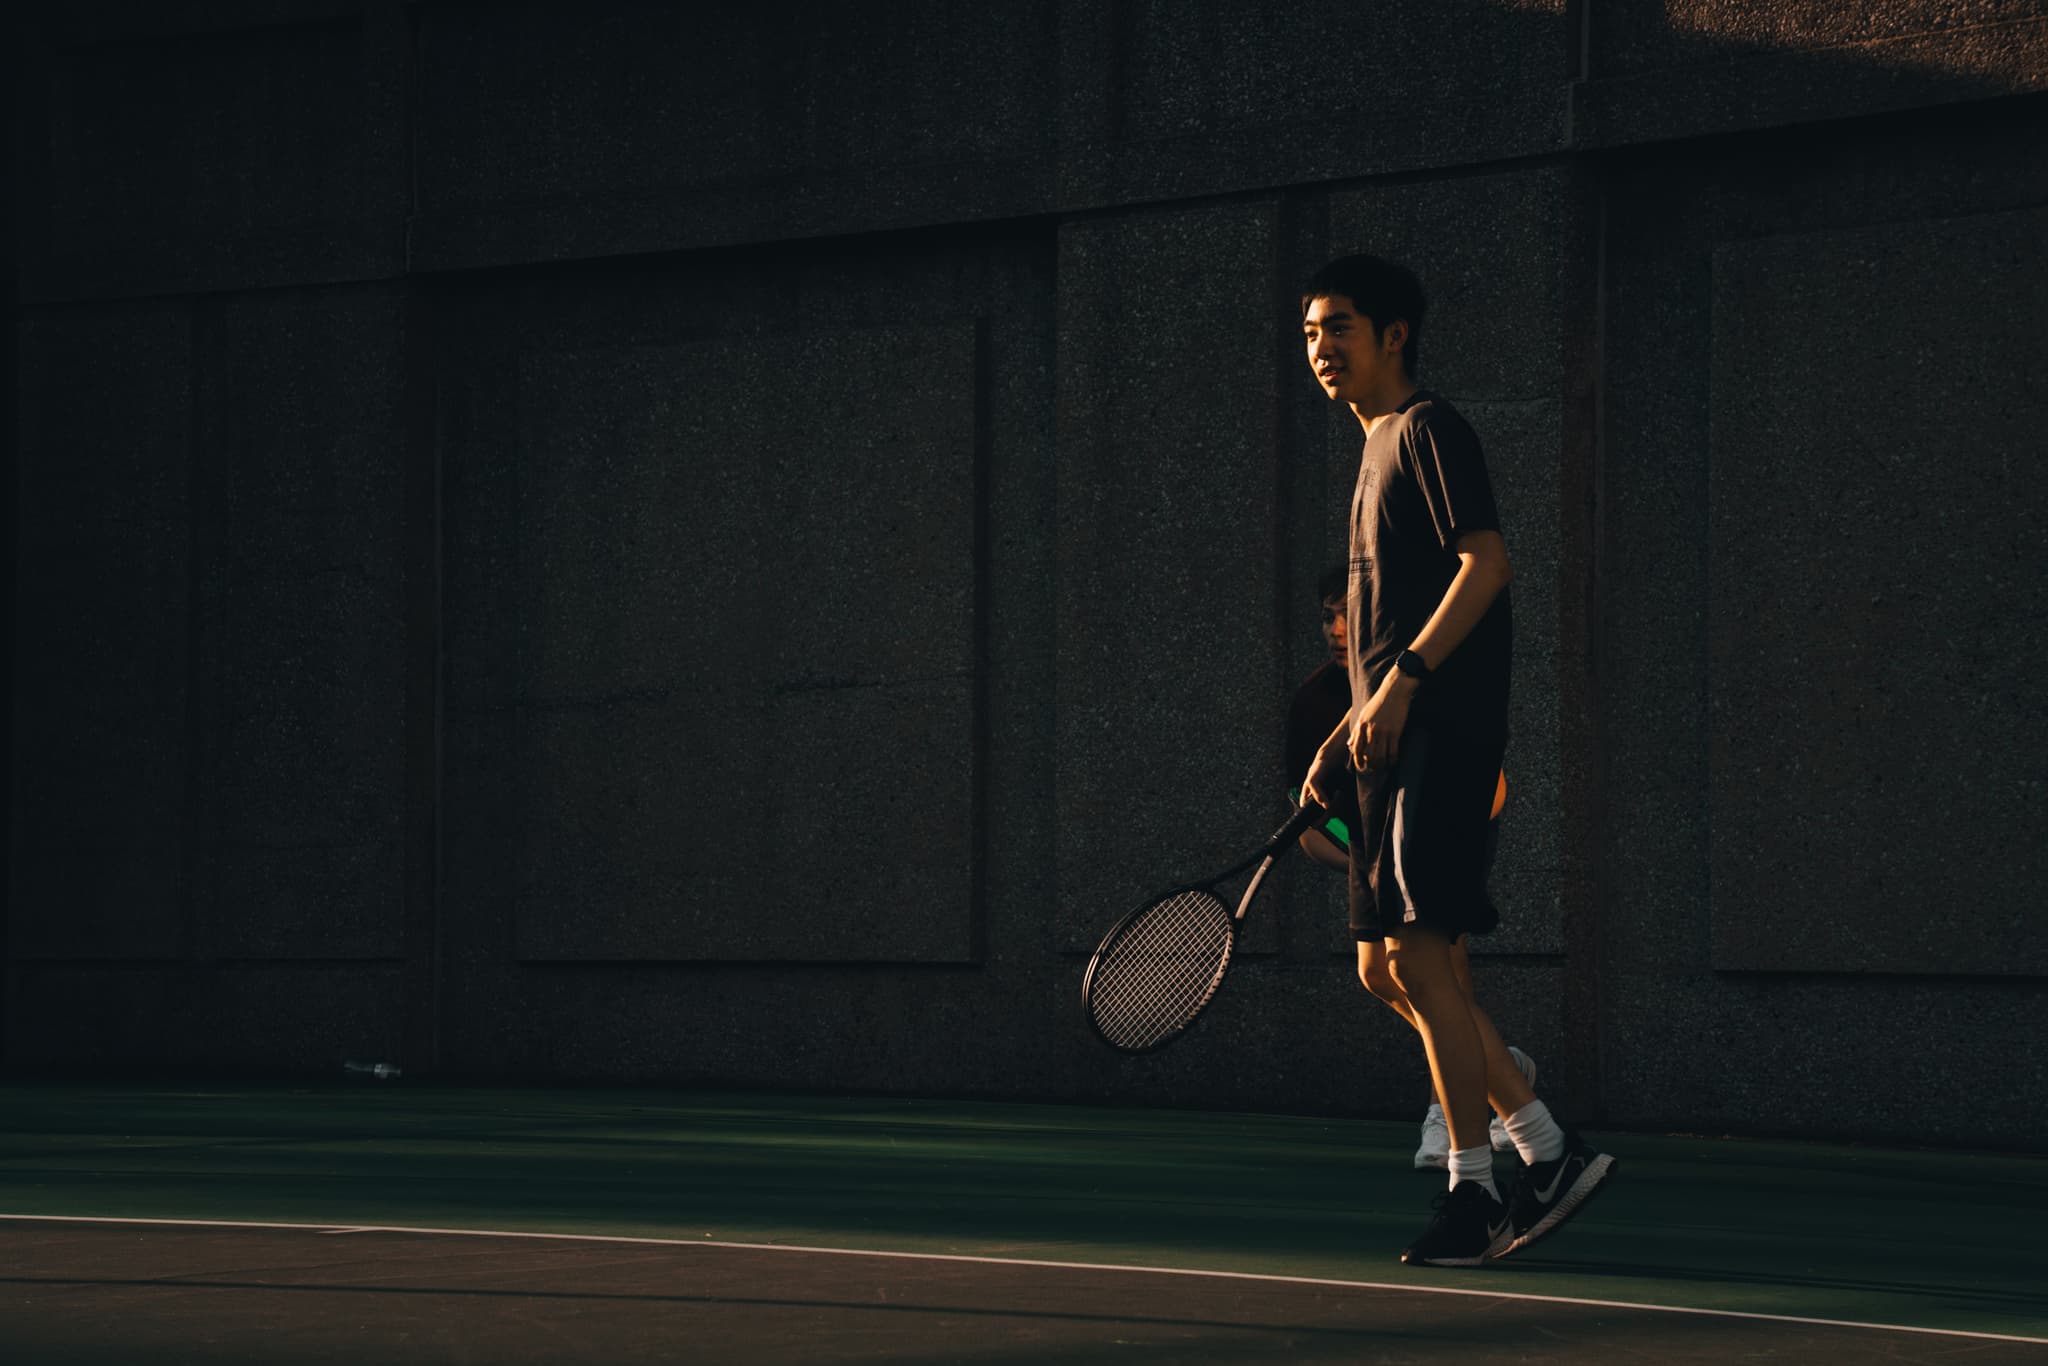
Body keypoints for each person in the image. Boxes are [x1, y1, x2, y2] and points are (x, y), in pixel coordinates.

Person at [1298, 254, 1615, 1267]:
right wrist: (1335, 745)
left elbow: (1487, 561)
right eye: (1309, 332)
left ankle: (1475, 1192)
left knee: (1419, 957)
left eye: (1339, 327)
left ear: (1394, 334)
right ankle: (1546, 1149)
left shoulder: (1430, 430)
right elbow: (1377, 632)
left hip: (1443, 733)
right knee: (1377, 967)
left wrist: (1400, 687)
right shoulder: (1369, 452)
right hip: (1384, 743)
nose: (1320, 348)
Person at [1284, 562, 1536, 1173]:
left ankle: (1452, 1118)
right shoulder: (1314, 702)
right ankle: (1503, 1072)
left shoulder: (1419, 681)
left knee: (1438, 965)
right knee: (1382, 976)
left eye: (1350, 611)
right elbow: (1312, 829)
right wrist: (1364, 861)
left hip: (1444, 828)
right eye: (1327, 615)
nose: (1339, 627)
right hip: (1369, 853)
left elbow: (1485, 785)